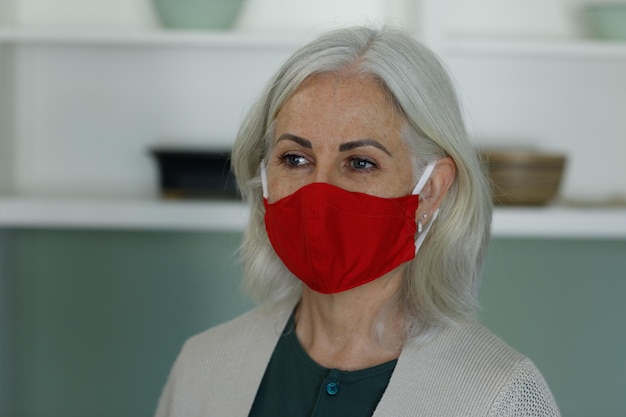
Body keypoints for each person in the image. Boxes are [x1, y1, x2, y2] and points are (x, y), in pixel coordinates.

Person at [155, 26, 560, 417]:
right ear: (263, 175)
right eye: (295, 159)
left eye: (360, 163)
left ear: (431, 190)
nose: (320, 192)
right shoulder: (202, 369)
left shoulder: (500, 399)